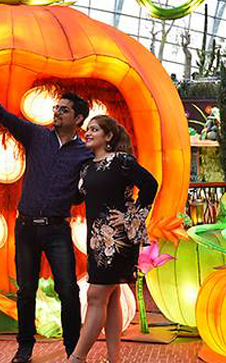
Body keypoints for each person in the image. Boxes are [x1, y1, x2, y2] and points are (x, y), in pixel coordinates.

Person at [0, 65, 93, 363]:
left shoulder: (85, 153)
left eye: (64, 110)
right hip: (26, 228)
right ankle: (24, 348)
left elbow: (92, 184)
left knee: (68, 291)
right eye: (56, 108)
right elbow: (0, 114)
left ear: (78, 119)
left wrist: (81, 193)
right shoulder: (37, 136)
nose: (57, 112)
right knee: (25, 291)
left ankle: (74, 351)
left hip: (57, 230)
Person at [68, 115, 158, 363]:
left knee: (95, 295)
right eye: (87, 129)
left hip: (118, 239)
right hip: (96, 241)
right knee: (112, 296)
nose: (88, 133)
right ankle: (114, 359)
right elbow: (77, 197)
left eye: (94, 129)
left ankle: (76, 358)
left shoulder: (121, 161)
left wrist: (132, 216)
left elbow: (150, 185)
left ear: (108, 136)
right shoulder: (86, 167)